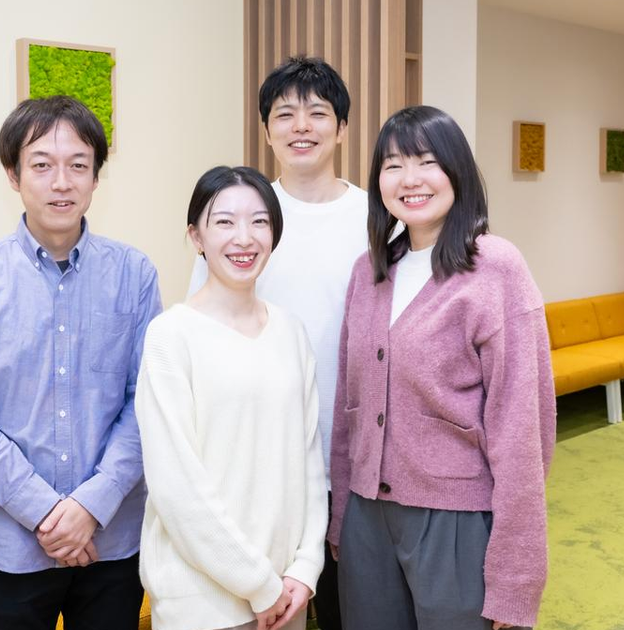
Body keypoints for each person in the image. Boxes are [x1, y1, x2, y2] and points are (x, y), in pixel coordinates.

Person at [0, 95, 161, 630]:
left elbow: (147, 403)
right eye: (42, 165)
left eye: (78, 165)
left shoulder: (134, 274)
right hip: (10, 545)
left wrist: (91, 506)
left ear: (96, 177)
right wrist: (46, 513)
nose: (62, 182)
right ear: (13, 174)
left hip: (112, 541)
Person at [328, 106, 556, 630]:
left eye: (427, 162)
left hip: (456, 522)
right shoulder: (368, 272)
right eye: (393, 165)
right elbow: (348, 410)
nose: (410, 179)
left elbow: (523, 429)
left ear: (457, 171)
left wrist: (517, 574)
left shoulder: (495, 268)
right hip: (366, 518)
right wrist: (343, 517)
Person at [187, 57, 365, 630]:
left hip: (354, 467)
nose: (301, 126)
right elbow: (201, 337)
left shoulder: (375, 217)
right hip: (258, 469)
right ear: (266, 130)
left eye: (318, 113)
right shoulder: (242, 217)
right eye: (285, 114)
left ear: (342, 127)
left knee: (349, 613)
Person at [138, 166, 328, 630]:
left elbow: (308, 460)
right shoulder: (170, 336)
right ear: (196, 236)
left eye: (259, 221)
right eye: (224, 222)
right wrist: (259, 585)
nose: (244, 238)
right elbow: (176, 487)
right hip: (201, 603)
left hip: (285, 595)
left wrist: (305, 568)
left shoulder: (290, 331)